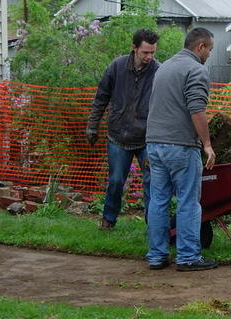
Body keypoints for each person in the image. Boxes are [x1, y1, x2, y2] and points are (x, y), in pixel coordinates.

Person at [145, 27, 218, 272]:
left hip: (154, 144)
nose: (209, 55)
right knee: (188, 201)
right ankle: (187, 257)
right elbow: (196, 109)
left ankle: (156, 256)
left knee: (158, 200)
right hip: (181, 146)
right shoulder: (196, 69)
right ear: (200, 47)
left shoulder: (163, 67)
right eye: (209, 50)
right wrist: (206, 144)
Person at [86, 29, 160, 230]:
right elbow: (101, 98)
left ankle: (153, 225)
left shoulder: (158, 71)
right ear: (134, 48)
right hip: (118, 136)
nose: (149, 57)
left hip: (146, 138)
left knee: (151, 182)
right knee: (116, 181)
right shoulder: (117, 67)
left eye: (152, 52)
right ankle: (108, 220)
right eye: (145, 52)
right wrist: (92, 126)